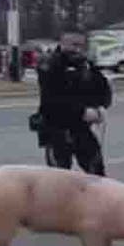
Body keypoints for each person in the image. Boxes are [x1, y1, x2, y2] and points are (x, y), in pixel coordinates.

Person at [33, 33, 112, 176]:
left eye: (81, 45)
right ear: (63, 44)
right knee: (60, 178)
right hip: (57, 129)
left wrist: (100, 107)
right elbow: (52, 101)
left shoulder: (86, 65)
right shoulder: (50, 65)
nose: (78, 49)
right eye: (74, 45)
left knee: (97, 172)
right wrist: (82, 112)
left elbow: (103, 89)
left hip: (80, 128)